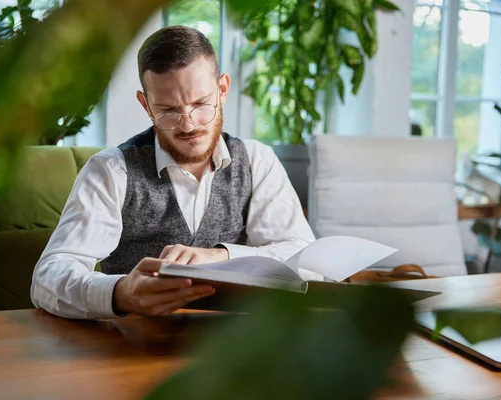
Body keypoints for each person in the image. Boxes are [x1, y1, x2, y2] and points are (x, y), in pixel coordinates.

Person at [30, 25, 315, 319]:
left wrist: (221, 255)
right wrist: (120, 294)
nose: (188, 125)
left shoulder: (258, 161)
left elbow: (304, 257)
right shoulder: (110, 170)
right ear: (146, 105)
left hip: (234, 346)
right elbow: (47, 279)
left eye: (201, 104)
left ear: (222, 90)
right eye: (168, 110)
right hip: (131, 346)